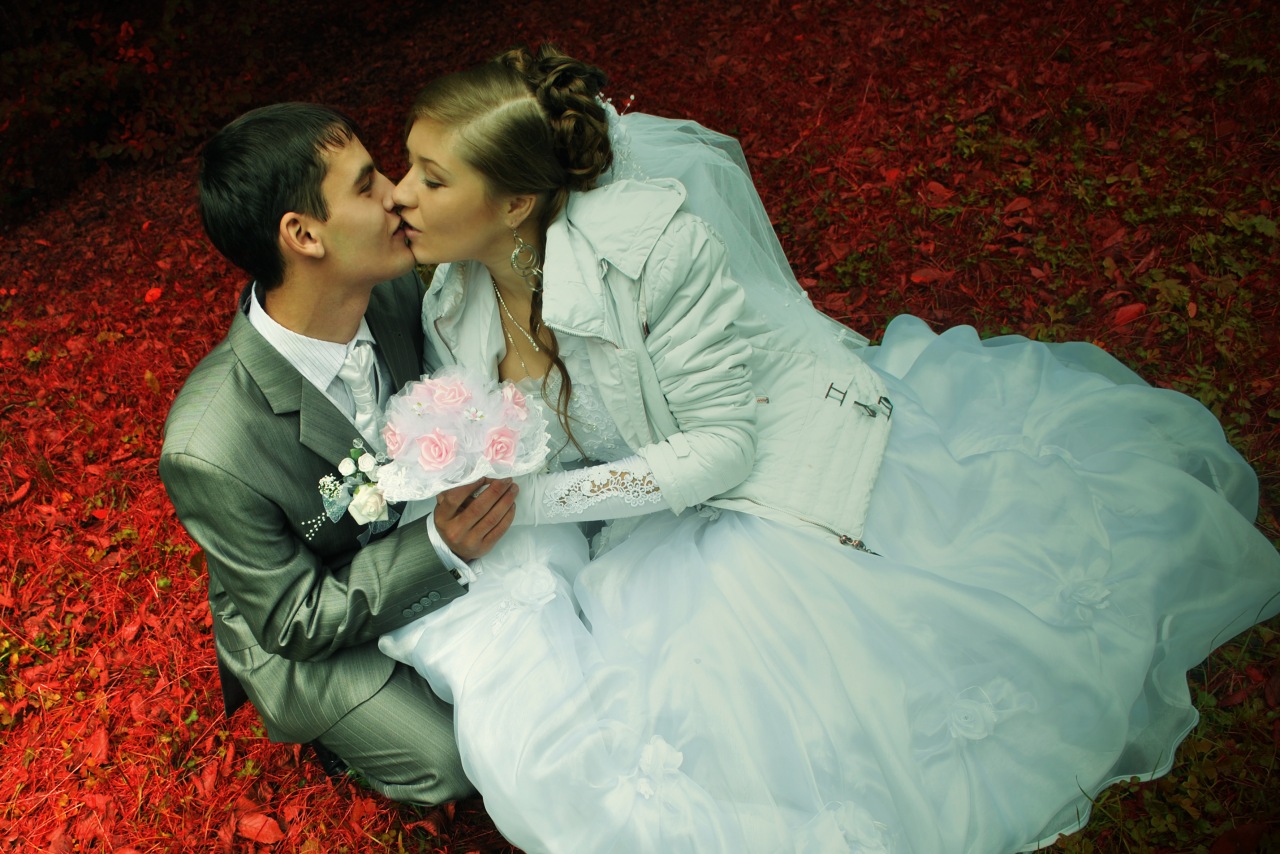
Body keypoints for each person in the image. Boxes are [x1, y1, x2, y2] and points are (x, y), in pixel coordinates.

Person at [376, 48, 1280, 852]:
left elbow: (722, 449)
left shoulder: (654, 256)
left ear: (515, 203)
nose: (400, 195)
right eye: (406, 166)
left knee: (740, 672)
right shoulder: (452, 296)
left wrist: (533, 503)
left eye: (430, 178)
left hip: (743, 479)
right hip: (637, 491)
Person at [158, 103, 518, 805]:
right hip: (307, 618)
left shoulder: (398, 291)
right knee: (453, 760)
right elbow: (292, 617)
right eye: (367, 183)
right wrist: (438, 547)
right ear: (304, 235)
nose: (397, 194)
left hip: (417, 530)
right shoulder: (209, 445)